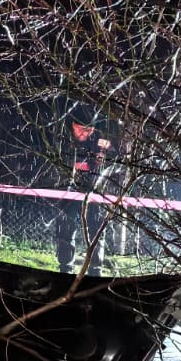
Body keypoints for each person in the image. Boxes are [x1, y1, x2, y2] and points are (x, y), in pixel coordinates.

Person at [55, 109, 114, 275]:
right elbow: (57, 163)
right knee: (65, 230)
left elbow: (113, 163)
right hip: (69, 193)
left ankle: (95, 271)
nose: (84, 133)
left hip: (95, 193)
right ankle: (65, 269)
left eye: (88, 130)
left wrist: (103, 158)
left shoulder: (101, 141)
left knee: (95, 233)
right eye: (81, 129)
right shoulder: (63, 139)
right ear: (73, 126)